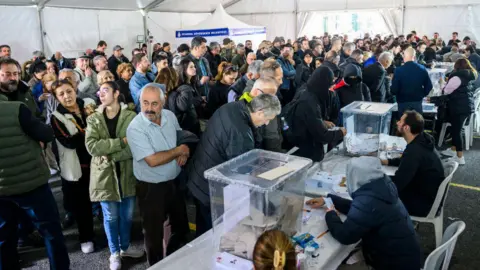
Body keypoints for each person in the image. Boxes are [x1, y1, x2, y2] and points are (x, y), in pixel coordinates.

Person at [187, 94, 281, 235]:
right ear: (260, 112)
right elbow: (242, 175)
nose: (266, 123)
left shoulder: (235, 107)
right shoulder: (240, 133)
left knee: (202, 223)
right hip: (210, 189)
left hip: (199, 175)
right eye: (267, 119)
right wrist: (264, 204)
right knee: (210, 232)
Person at [307, 156, 422, 270]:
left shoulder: (368, 201)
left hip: (393, 263)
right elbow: (361, 211)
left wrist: (330, 212)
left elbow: (345, 235)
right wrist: (329, 199)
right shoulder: (381, 188)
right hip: (406, 256)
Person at [0, 95, 70, 270]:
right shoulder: (16, 108)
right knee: (51, 233)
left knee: (4, 239)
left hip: (1, 191)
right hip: (30, 183)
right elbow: (46, 134)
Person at [126, 83, 190, 266]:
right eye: (145, 103)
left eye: (154, 104)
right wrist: (178, 151)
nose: (149, 108)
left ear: (163, 103)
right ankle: (155, 266)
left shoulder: (170, 116)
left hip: (174, 182)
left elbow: (180, 138)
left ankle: (175, 262)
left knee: (180, 227)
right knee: (153, 235)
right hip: (151, 188)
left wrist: (184, 152)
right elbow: (152, 160)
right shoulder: (135, 128)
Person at [85, 81, 143, 270]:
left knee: (126, 216)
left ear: (117, 93)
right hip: (104, 175)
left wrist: (109, 152)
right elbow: (92, 147)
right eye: (99, 92)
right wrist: (120, 142)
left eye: (105, 90)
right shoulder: (94, 118)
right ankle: (114, 253)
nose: (100, 94)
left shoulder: (131, 116)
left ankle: (124, 248)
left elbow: (135, 145)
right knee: (110, 217)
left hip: (126, 172)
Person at [50, 79, 95, 254]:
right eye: (61, 94)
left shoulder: (89, 105)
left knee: (105, 201)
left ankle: (114, 235)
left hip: (98, 163)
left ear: (75, 89)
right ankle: (86, 237)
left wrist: (83, 133)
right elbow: (69, 142)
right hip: (77, 167)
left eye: (69, 91)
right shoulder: (56, 117)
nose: (67, 96)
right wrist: (91, 131)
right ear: (56, 97)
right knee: (82, 206)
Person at [381, 111, 445, 217]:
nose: (397, 123)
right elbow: (407, 162)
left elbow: (398, 183)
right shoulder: (422, 140)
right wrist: (388, 161)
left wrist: (375, 179)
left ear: (406, 128)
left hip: (422, 204)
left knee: (378, 198)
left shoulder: (414, 151)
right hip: (426, 194)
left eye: (400, 121)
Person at [282, 67, 345, 162]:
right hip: (305, 150)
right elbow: (322, 135)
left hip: (301, 142)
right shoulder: (309, 102)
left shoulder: (307, 90)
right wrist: (341, 132)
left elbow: (309, 118)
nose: (331, 89)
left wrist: (322, 121)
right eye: (329, 85)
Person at [439, 58, 478, 165]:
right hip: (465, 105)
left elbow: (446, 91)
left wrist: (442, 83)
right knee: (456, 128)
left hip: (458, 107)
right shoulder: (469, 75)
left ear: (457, 66)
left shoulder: (456, 77)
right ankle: (453, 150)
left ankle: (460, 157)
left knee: (456, 132)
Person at [238, 78, 283, 152]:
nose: (271, 101)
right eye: (267, 97)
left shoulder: (264, 108)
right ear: (256, 92)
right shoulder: (242, 112)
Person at [391, 48, 432, 115]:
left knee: (403, 124)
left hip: (402, 102)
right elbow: (429, 86)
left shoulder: (398, 70)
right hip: (417, 101)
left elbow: (394, 89)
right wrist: (422, 94)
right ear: (415, 57)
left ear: (404, 57)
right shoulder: (422, 69)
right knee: (416, 123)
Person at [167, 58, 202, 135]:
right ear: (184, 69)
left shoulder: (192, 83)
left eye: (194, 66)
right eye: (191, 67)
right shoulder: (183, 87)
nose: (194, 69)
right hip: (187, 125)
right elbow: (184, 106)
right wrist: (198, 100)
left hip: (194, 120)